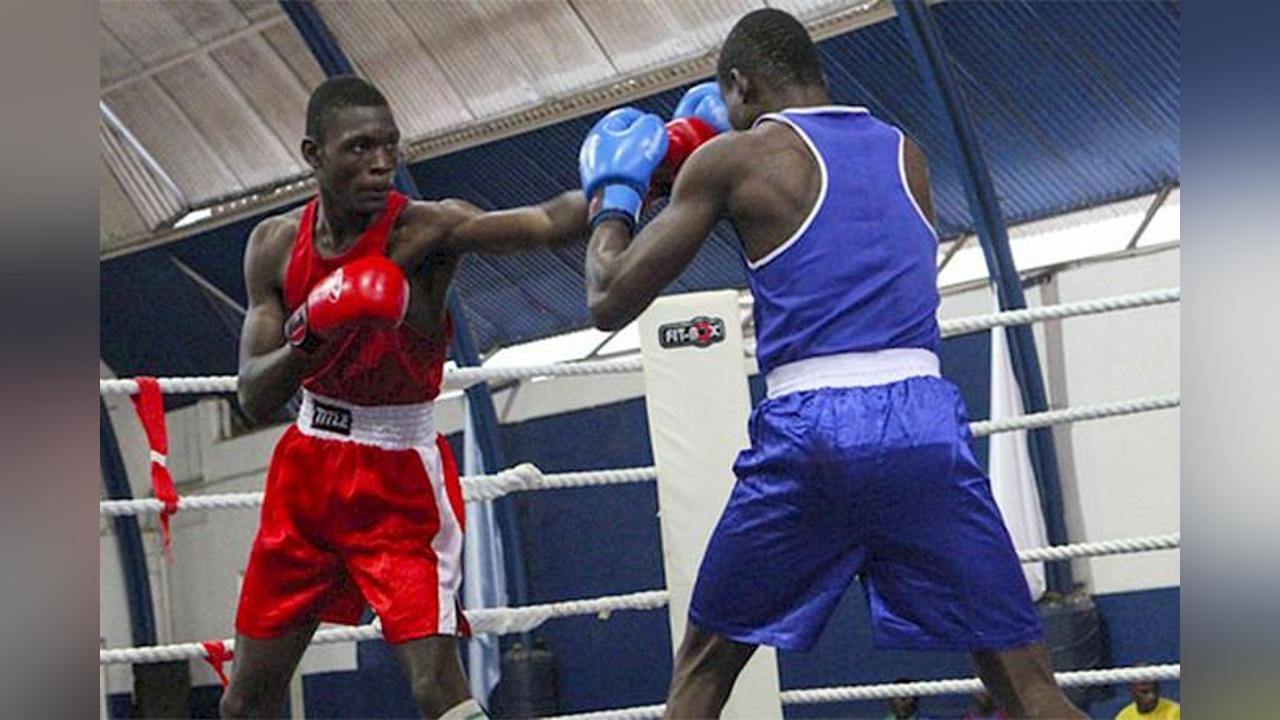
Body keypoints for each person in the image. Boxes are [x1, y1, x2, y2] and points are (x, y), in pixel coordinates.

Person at [577, 8, 1086, 719]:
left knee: (706, 665)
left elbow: (608, 297)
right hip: (925, 424)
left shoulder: (733, 160)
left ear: (741, 85)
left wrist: (616, 197)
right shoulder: (905, 152)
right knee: (1023, 679)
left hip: (812, 433)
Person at [222, 75, 587, 720]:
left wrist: (643, 177)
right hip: (307, 467)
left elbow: (546, 223)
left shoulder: (427, 230)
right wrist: (313, 327)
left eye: (390, 146)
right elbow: (253, 394)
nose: (383, 163)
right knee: (245, 701)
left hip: (397, 474)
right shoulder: (275, 246)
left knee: (434, 686)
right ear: (313, 155)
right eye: (360, 148)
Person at [1115, 679, 1180, 719]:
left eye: (1155, 690)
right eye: (1144, 692)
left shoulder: (1175, 711)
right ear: (1132, 691)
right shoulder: (1124, 716)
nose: (1152, 696)